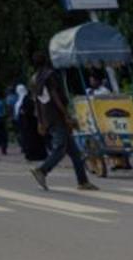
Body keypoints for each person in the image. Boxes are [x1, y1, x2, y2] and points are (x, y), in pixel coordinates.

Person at [27, 52, 95, 192]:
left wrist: (40, 121)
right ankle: (42, 170)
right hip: (57, 117)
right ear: (47, 62)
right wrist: (66, 114)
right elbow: (55, 96)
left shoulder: (33, 79)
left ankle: (83, 182)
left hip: (46, 117)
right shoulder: (50, 75)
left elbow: (36, 102)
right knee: (60, 148)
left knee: (75, 153)